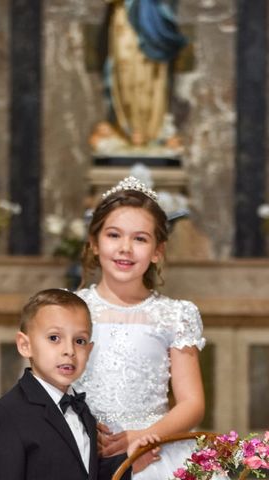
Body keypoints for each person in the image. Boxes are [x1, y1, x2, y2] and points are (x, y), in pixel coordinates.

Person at [73, 176, 206, 479]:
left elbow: (192, 402)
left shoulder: (175, 315)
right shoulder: (69, 309)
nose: (125, 248)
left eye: (140, 239)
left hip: (154, 451)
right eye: (114, 235)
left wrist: (143, 437)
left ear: (158, 251)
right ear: (94, 243)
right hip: (82, 449)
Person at [0, 288, 160, 480]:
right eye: (54, 338)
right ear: (25, 345)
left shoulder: (82, 410)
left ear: (89, 351)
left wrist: (130, 463)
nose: (69, 350)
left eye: (79, 341)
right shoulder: (5, 416)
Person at [102, 0, 186, 146]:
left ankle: (152, 132)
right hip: (126, 22)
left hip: (151, 19)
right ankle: (129, 130)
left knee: (150, 76)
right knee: (125, 73)